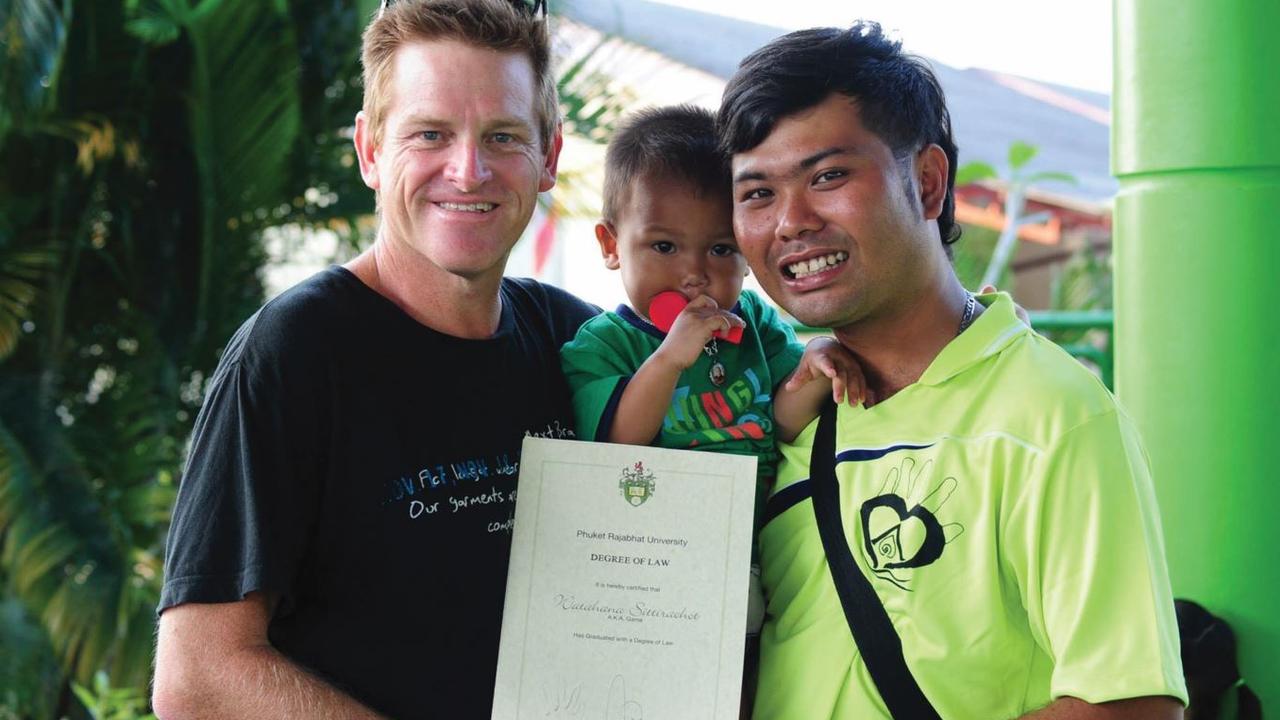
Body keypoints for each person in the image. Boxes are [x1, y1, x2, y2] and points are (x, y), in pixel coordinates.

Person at [718, 22, 1189, 719]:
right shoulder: (778, 409)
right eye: (756, 193)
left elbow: (1131, 706)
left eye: (828, 176)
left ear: (929, 181)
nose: (790, 221)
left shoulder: (1052, 416)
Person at [151, 1, 599, 717]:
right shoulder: (295, 353)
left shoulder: (578, 345)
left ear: (548, 158)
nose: (469, 169)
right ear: (369, 151)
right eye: (430, 133)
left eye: (503, 136)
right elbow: (198, 675)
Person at [558, 104, 862, 715]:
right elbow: (617, 443)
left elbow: (778, 419)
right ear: (612, 244)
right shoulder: (603, 345)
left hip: (760, 559)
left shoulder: (753, 325)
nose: (695, 274)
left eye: (721, 249)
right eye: (665, 245)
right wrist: (671, 357)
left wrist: (814, 365)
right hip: (658, 579)